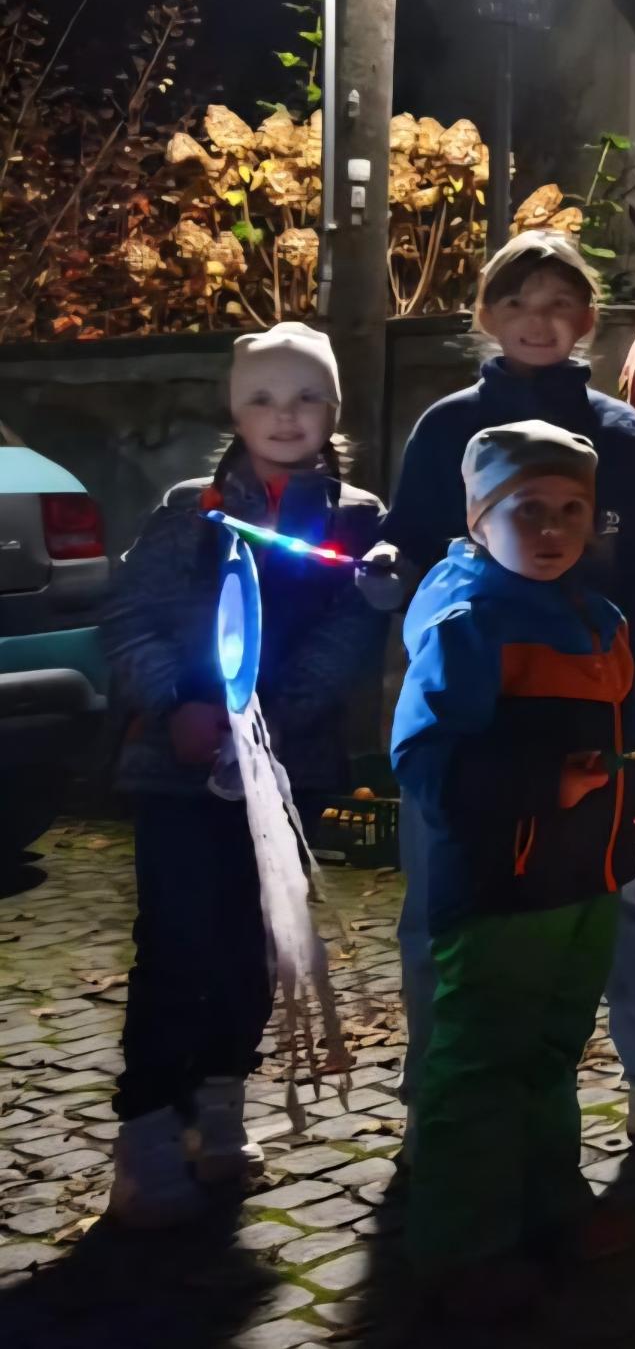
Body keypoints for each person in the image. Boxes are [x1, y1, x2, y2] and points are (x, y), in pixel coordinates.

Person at [370, 232, 635, 1139]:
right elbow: (414, 542)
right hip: (477, 692)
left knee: (621, 884)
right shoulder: (444, 426)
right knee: (444, 886)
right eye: (518, 303)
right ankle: (440, 1078)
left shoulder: (623, 433)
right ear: (487, 316)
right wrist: (388, 568)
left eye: (559, 303)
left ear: (588, 318)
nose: (538, 321)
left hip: (596, 688)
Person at [390, 421, 635, 1318]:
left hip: (586, 883)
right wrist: (534, 785)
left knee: (552, 1053)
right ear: (481, 518)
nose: (554, 528)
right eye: (528, 509)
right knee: (481, 1061)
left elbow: (633, 737)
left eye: (573, 509)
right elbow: (425, 757)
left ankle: (550, 1204)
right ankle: (460, 1243)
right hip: (500, 892)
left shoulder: (601, 619)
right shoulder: (467, 622)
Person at [102, 323, 387, 1227]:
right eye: (263, 396)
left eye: (305, 396)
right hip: (176, 769)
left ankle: (220, 1103)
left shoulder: (356, 520)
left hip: (285, 771)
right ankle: (149, 1127)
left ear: (333, 409)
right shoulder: (189, 508)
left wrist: (264, 720)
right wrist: (181, 704)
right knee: (178, 940)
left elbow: (352, 640)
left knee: (260, 943)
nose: (284, 415)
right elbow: (132, 621)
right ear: (235, 408)